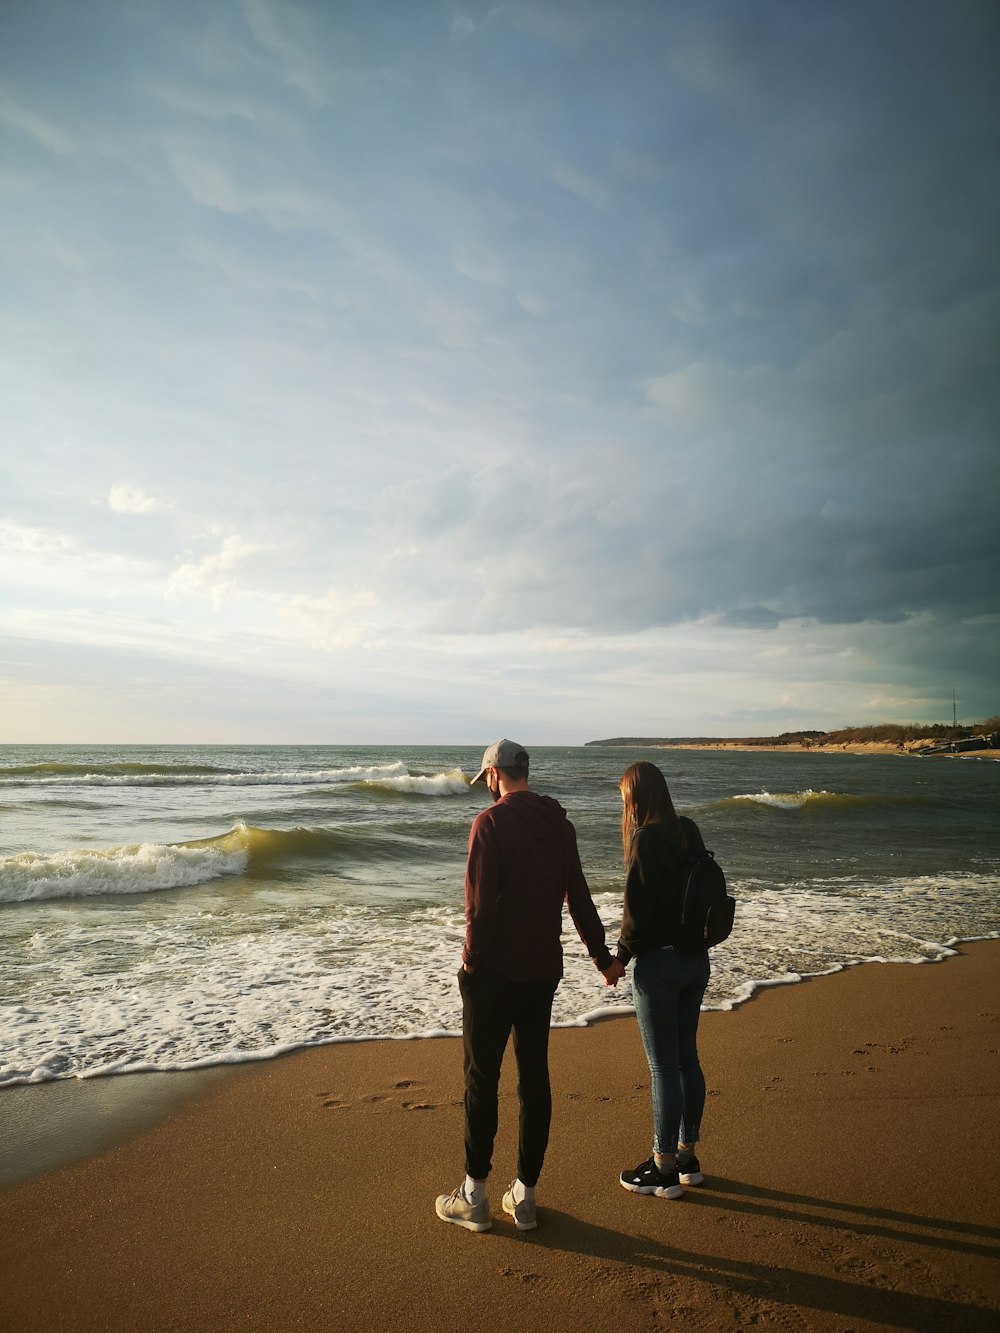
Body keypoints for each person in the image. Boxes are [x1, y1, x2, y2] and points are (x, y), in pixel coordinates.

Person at [435, 739, 618, 1233]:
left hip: (494, 973)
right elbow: (577, 895)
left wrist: (471, 963)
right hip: (542, 971)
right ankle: (526, 1196)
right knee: (534, 1078)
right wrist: (602, 958)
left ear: (494, 774)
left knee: (482, 1079)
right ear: (525, 772)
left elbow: (480, 908)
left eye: (486, 780)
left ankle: (474, 1197)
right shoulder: (559, 826)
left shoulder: (490, 823)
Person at [602, 760, 711, 1200]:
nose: (623, 806)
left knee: (664, 1065)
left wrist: (618, 960)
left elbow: (637, 914)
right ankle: (687, 1157)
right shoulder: (688, 829)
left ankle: (663, 1165)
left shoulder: (646, 839)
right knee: (687, 1059)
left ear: (637, 797)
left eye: (625, 797)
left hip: (660, 968)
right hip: (695, 960)